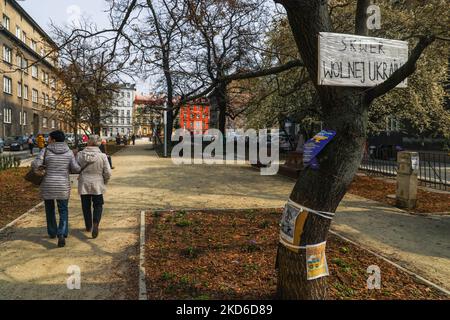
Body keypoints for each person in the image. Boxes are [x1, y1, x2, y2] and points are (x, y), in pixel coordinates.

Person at [32, 130, 81, 248]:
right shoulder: (69, 152)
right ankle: (62, 233)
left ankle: (52, 232)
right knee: (63, 210)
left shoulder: (45, 150)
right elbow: (75, 168)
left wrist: (43, 168)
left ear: (53, 140)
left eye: (49, 138)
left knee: (49, 209)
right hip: (63, 186)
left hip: (48, 184)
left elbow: (35, 165)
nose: (47, 140)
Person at [76, 135, 112, 239]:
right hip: (98, 183)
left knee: (85, 206)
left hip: (84, 183)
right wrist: (104, 181)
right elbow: (108, 173)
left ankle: (88, 226)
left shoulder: (80, 154)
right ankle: (96, 223)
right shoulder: (103, 156)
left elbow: (76, 168)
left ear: (90, 142)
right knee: (98, 205)